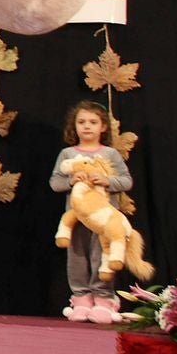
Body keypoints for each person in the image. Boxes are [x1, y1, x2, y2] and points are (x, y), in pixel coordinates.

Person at [49, 100, 132, 325]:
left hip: (104, 218)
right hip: (77, 217)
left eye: (93, 122)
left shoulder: (110, 154)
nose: (87, 127)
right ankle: (81, 299)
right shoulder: (67, 154)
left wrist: (107, 180)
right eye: (82, 122)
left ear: (103, 127)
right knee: (76, 258)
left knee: (101, 256)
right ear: (74, 127)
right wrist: (70, 179)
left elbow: (126, 181)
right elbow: (55, 183)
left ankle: (103, 299)